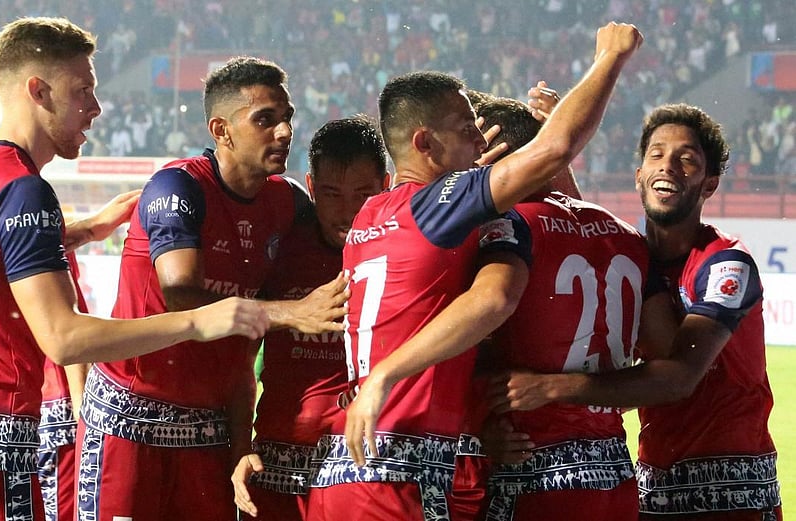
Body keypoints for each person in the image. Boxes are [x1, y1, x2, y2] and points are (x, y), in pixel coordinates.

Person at [0, 18, 269, 521]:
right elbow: (64, 338)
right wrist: (197, 321)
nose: (96, 108)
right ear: (38, 90)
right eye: (83, 90)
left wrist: (86, 229)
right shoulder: (23, 189)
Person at [306, 22, 643, 521]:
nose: (477, 141)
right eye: (466, 130)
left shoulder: (371, 213)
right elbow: (551, 154)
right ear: (425, 142)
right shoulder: (445, 207)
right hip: (402, 480)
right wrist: (610, 57)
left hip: (345, 469)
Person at [77, 56, 348, 521]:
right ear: (221, 131)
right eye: (265, 120)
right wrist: (288, 312)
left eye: (287, 118)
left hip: (212, 429)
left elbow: (338, 245)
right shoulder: (177, 187)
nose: (284, 132)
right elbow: (180, 293)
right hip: (130, 420)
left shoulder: (286, 203)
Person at [497, 103, 782, 519]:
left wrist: (550, 387)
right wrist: (558, 141)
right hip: (653, 486)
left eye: (687, 160)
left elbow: (679, 376)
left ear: (710, 184)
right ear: (639, 176)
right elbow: (592, 242)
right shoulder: (635, 257)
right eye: (656, 155)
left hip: (730, 493)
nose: (668, 166)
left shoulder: (725, 263)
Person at [460, 94, 662, 521]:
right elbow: (664, 354)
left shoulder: (507, 227)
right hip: (615, 478)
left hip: (534, 474)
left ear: (492, 155)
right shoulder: (626, 234)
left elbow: (471, 321)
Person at [232, 115, 390, 520]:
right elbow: (240, 355)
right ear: (311, 186)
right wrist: (240, 445)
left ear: (386, 186)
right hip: (274, 460)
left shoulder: (403, 250)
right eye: (332, 194)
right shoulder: (280, 245)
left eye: (364, 193)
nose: (348, 211)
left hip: (361, 461)